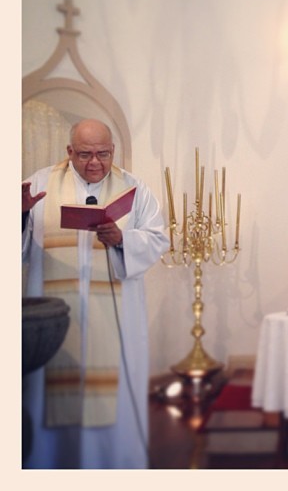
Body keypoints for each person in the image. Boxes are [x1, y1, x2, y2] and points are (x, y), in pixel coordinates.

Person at [22, 118, 169, 468]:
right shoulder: (39, 184)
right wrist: (17, 215)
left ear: (113, 151)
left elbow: (158, 239)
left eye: (103, 154)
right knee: (48, 403)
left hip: (113, 320)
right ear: (69, 151)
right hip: (56, 322)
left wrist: (123, 241)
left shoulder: (133, 189)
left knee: (113, 401)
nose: (95, 163)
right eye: (85, 154)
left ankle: (112, 467)